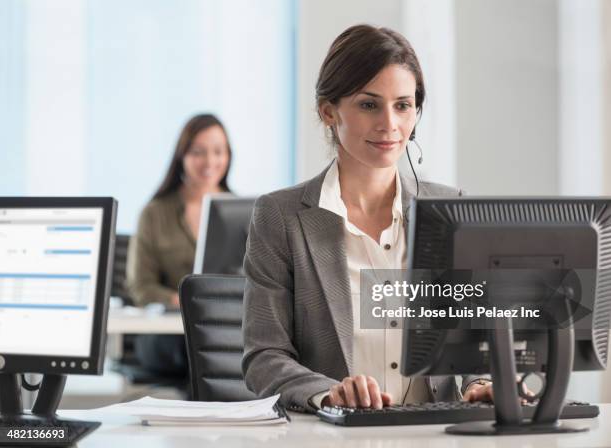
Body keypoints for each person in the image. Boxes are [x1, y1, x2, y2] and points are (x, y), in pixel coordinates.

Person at [242, 25, 493, 412]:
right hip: (333, 436)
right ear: (329, 111)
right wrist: (330, 393)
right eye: (369, 104)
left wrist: (483, 383)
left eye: (403, 105)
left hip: (438, 432)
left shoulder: (451, 210)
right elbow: (264, 358)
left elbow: (481, 339)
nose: (389, 124)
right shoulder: (281, 217)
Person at [126, 113, 232, 374]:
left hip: (225, 327)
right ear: (181, 156)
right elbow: (140, 287)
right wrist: (180, 300)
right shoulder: (154, 213)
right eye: (198, 152)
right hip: (169, 333)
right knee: (201, 352)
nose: (210, 161)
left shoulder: (244, 211)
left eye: (218, 151)